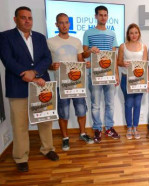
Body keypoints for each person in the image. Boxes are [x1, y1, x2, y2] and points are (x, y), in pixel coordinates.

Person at [0, 6, 59, 172]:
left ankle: (48, 149)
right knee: (20, 124)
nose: (27, 21)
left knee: (45, 120)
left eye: (30, 18)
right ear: (15, 19)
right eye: (23, 17)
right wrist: (26, 74)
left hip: (41, 85)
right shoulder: (5, 37)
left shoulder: (40, 37)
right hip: (18, 86)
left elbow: (47, 58)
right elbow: (7, 60)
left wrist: (35, 72)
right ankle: (21, 157)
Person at [47, 13, 94, 151]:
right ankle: (65, 138)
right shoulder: (50, 42)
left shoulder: (76, 41)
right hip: (61, 84)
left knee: (81, 110)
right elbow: (47, 63)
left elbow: (80, 60)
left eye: (66, 22)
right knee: (64, 112)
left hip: (77, 83)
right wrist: (51, 66)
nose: (64, 25)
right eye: (61, 23)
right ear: (56, 24)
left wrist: (85, 64)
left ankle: (83, 133)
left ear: (69, 24)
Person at [83, 5, 120, 143]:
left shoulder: (112, 34)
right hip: (95, 75)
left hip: (109, 75)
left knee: (110, 104)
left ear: (107, 17)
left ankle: (109, 127)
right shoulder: (88, 33)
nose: (103, 17)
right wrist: (90, 51)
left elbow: (114, 56)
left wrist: (116, 74)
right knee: (96, 105)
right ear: (96, 16)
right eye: (100, 15)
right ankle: (97, 128)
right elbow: (84, 53)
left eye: (105, 15)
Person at [117, 23, 148, 139]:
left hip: (140, 80)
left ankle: (135, 127)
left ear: (139, 33)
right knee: (129, 104)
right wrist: (122, 63)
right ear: (128, 34)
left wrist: (147, 82)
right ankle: (129, 127)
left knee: (138, 104)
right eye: (131, 33)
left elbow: (145, 66)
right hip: (126, 78)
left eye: (136, 32)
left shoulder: (143, 46)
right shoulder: (122, 46)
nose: (134, 35)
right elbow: (118, 61)